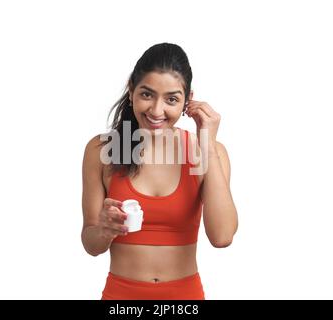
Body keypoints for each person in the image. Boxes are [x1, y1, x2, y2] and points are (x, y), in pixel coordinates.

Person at [81, 43, 238, 300]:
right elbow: (91, 244)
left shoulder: (209, 151)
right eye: (146, 94)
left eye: (171, 99)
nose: (156, 110)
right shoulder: (102, 149)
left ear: (187, 101)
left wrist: (206, 143)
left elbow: (222, 236)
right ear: (131, 89)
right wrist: (105, 230)